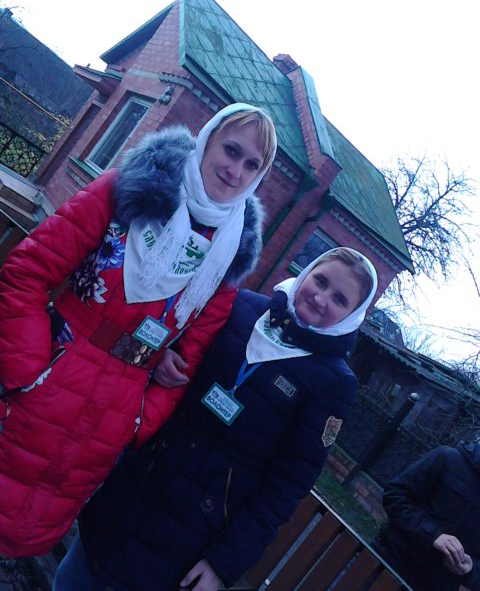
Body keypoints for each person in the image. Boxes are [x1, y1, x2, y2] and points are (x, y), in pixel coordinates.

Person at [0, 102, 277, 558]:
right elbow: (26, 273)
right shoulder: (130, 189)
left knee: (24, 531)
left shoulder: (230, 255)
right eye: (231, 150)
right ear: (207, 140)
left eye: (252, 165)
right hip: (42, 375)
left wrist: (137, 421)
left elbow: (189, 360)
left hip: (107, 418)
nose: (236, 171)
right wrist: (26, 368)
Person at [53, 247, 378, 591]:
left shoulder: (334, 384)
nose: (321, 298)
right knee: (72, 579)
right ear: (306, 273)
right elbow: (172, 348)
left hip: (193, 530)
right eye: (321, 281)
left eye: (340, 299)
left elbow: (286, 485)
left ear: (352, 316)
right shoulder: (242, 306)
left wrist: (223, 563)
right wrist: (161, 358)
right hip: (137, 484)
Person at [372, 442, 480, 591]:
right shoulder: (448, 459)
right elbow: (395, 496)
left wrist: (470, 569)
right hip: (384, 563)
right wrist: (432, 535)